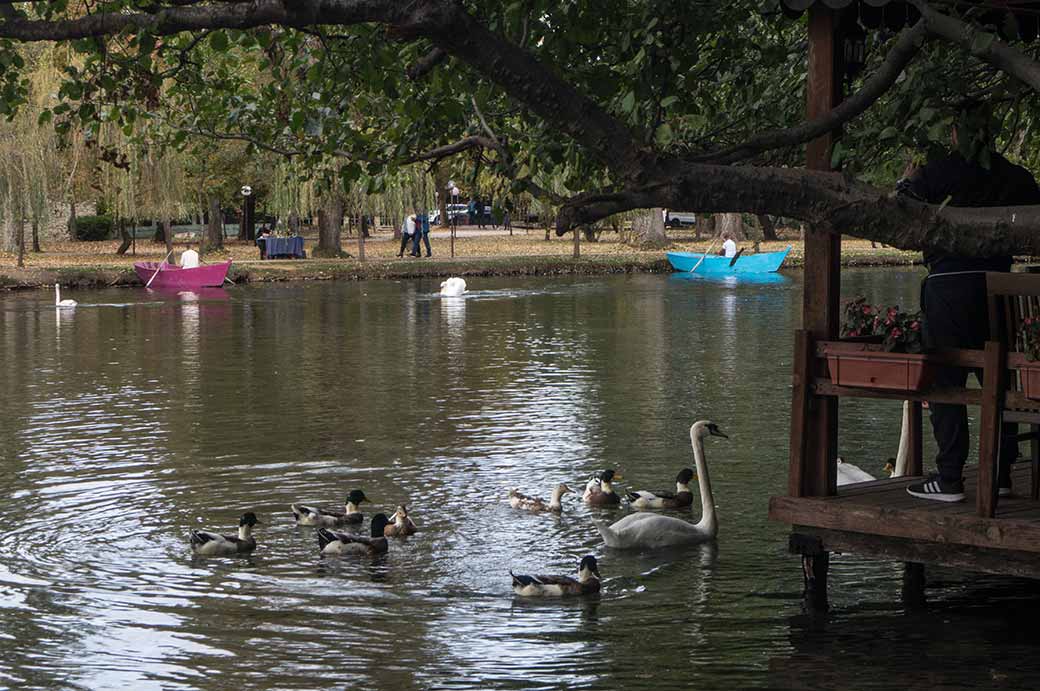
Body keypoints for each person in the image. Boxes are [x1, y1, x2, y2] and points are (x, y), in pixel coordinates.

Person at [897, 107, 1040, 502]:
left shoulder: (936, 173)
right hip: (1002, 291)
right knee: (1003, 379)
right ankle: (1003, 471)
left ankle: (949, 477)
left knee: (945, 379)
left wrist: (906, 180)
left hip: (950, 287)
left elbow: (900, 204)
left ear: (956, 133)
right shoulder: (1015, 177)